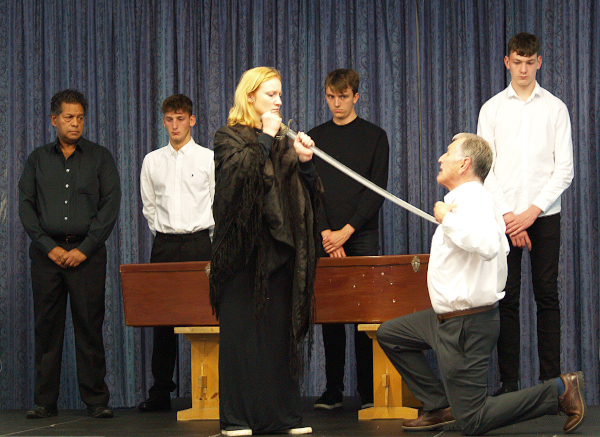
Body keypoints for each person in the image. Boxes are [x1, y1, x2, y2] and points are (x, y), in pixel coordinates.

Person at [376, 133, 584, 435]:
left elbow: (486, 244)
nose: (440, 158)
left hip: (466, 325)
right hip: (445, 319)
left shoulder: (475, 202)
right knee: (391, 334)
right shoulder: (466, 200)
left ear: (464, 164)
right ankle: (439, 405)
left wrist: (448, 219)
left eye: (447, 153)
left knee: (472, 421)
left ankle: (559, 390)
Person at [209, 66, 320, 436]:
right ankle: (237, 419)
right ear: (250, 95)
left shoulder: (283, 141)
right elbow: (235, 183)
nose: (278, 100)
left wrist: (305, 163)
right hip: (242, 256)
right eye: (271, 94)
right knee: (241, 340)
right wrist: (266, 137)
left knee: (278, 338)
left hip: (280, 253)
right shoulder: (228, 137)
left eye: (280, 94)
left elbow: (304, 198)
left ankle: (283, 417)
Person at [477, 32, 574, 395]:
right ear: (507, 62)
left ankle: (550, 382)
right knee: (507, 299)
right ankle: (510, 382)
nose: (522, 68)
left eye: (529, 62)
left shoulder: (555, 108)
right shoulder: (491, 109)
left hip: (544, 217)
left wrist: (530, 214)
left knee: (547, 297)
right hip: (504, 218)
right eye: (516, 62)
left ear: (539, 62)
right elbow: (486, 169)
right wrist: (509, 217)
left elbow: (564, 169)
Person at [18, 89, 121, 419]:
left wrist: (84, 250)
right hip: (46, 255)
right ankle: (45, 402)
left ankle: (96, 401)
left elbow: (109, 207)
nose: (75, 123)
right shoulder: (37, 159)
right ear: (54, 119)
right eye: (68, 117)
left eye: (79, 118)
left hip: (87, 256)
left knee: (89, 327)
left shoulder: (100, 157)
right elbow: (26, 207)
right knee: (46, 328)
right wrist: (50, 248)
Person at [307, 68, 389, 410]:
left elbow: (376, 191)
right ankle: (333, 390)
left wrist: (347, 230)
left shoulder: (375, 136)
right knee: (331, 314)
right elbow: (309, 187)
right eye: (330, 96)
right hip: (325, 236)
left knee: (366, 315)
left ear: (356, 96)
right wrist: (327, 232)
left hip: (361, 235)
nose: (336, 103)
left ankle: (370, 392)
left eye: (343, 97)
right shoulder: (314, 137)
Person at [138, 94, 215, 411]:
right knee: (162, 320)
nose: (174, 125)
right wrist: (167, 233)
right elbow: (149, 208)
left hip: (200, 242)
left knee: (209, 316)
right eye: (169, 119)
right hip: (166, 244)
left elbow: (217, 203)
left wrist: (204, 236)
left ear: (192, 120)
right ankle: (160, 391)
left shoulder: (209, 158)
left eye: (180, 118)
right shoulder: (152, 161)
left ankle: (211, 388)